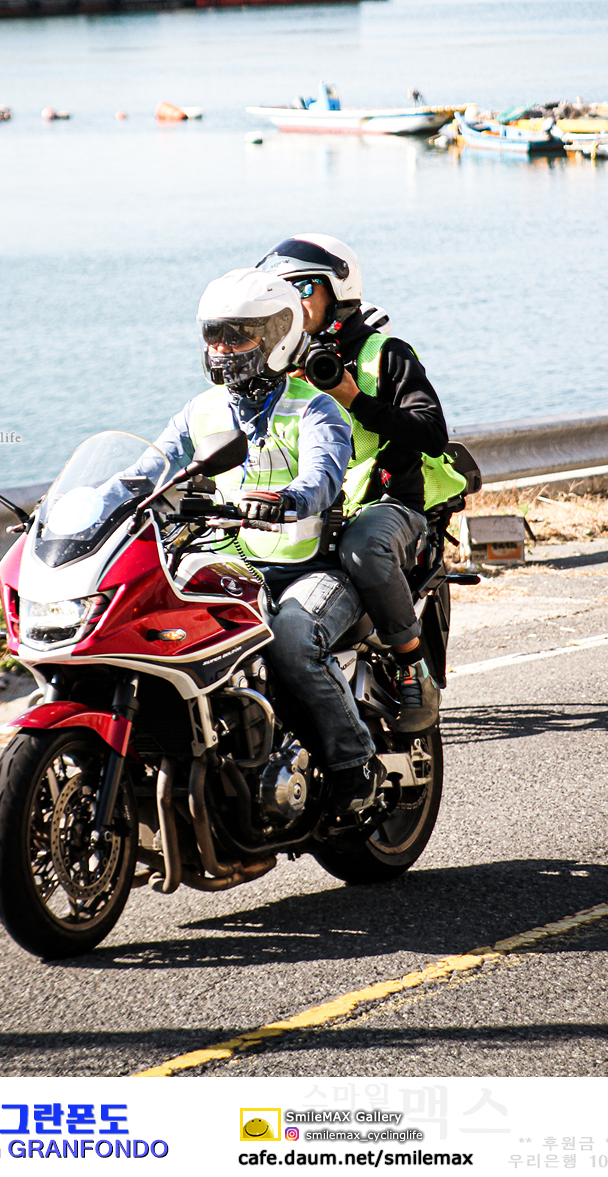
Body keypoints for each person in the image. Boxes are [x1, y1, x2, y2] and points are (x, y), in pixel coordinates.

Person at [131, 267, 380, 813]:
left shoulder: (314, 407)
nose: (222, 349)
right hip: (230, 568)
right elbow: (149, 468)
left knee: (292, 639)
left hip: (308, 572)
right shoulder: (201, 411)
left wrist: (287, 499)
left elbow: (323, 476)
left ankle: (354, 762)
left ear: (277, 336)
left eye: (237, 336)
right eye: (214, 335)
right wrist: (92, 502)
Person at [256, 234, 467, 732]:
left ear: (337, 290)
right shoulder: (276, 364)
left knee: (363, 546)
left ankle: (412, 664)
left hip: (386, 503)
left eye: (302, 287)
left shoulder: (383, 354)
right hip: (309, 504)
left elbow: (431, 433)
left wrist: (355, 400)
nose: (292, 300)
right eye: (281, 290)